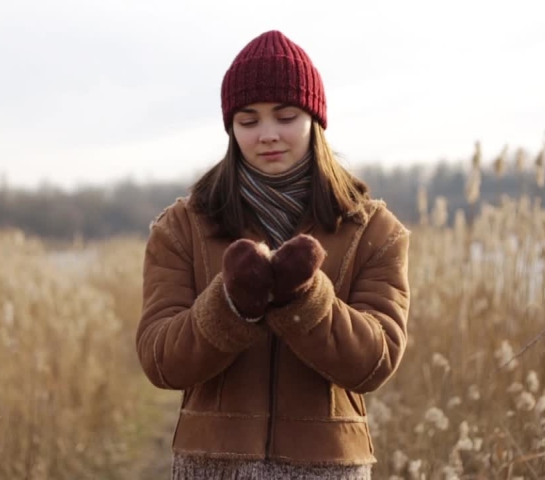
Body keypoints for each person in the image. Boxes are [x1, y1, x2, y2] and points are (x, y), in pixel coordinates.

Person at [136, 29, 411, 480]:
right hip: (212, 467)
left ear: (315, 120)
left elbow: (374, 363)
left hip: (329, 468)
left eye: (285, 116)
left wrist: (305, 300)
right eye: (248, 121)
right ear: (230, 128)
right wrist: (229, 305)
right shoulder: (182, 226)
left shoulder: (375, 231)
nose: (267, 135)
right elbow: (160, 360)